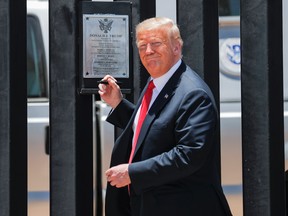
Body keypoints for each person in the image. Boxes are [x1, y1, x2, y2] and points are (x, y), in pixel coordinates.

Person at [98, 17, 232, 216]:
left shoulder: (193, 93)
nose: (148, 51)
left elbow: (189, 155)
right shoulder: (158, 82)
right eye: (142, 46)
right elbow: (155, 129)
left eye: (156, 43)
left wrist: (132, 173)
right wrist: (118, 104)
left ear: (177, 47)